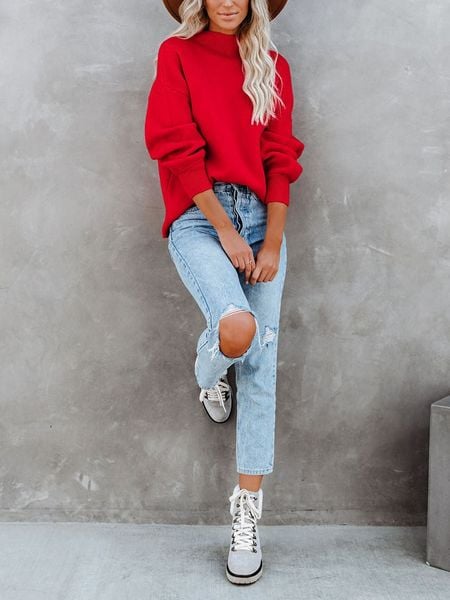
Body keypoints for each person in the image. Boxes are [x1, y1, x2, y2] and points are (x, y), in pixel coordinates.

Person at [144, 0, 304, 585]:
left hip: (263, 219)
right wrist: (227, 232)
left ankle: (246, 514)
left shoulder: (272, 65)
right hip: (198, 217)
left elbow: (280, 156)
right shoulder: (177, 55)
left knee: (261, 362)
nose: (230, 0)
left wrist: (271, 241)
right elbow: (174, 147)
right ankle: (209, 370)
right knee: (238, 330)